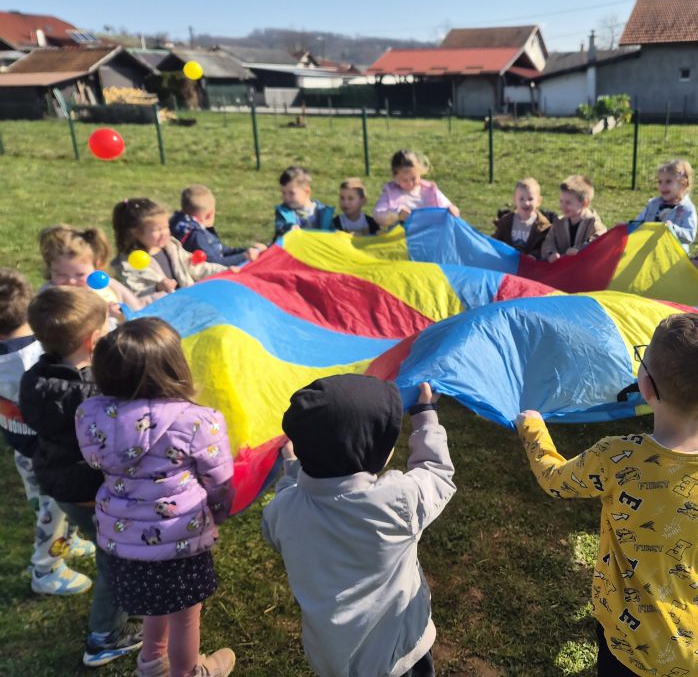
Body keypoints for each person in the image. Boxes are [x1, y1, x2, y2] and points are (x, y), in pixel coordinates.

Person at [517, 312, 698, 677]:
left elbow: (555, 479)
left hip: (633, 643)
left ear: (647, 388)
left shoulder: (618, 457)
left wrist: (532, 428)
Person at [262, 376, 455, 677]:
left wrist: (291, 468)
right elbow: (437, 473)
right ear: (369, 451)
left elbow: (281, 511)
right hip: (400, 658)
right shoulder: (397, 501)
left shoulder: (283, 511)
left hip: (333, 659)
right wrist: (425, 417)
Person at [77, 317, 236, 677]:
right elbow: (220, 480)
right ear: (175, 366)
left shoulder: (90, 414)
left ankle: (150, 663)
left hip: (121, 539)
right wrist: (220, 512)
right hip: (181, 538)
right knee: (185, 616)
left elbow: (92, 458)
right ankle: (187, 672)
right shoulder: (197, 420)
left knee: (153, 605)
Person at [19, 286, 143, 667]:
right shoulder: (95, 392)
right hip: (92, 491)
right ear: (93, 340)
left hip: (59, 484)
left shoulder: (35, 378)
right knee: (116, 562)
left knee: (100, 541)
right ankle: (104, 637)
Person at [0, 269, 92, 596]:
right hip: (46, 448)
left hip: (18, 440)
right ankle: (46, 568)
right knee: (52, 508)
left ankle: (67, 538)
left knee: (39, 498)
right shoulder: (34, 356)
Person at [111, 198, 226, 304]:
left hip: (188, 305)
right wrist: (157, 288)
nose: (164, 233)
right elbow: (132, 296)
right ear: (135, 233)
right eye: (158, 229)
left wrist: (226, 271)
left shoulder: (172, 247)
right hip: (160, 316)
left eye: (166, 227)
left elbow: (197, 268)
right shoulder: (128, 264)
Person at [38, 224, 142, 317]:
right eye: (61, 274)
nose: (71, 281)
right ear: (50, 269)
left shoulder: (108, 286)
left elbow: (137, 309)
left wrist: (122, 314)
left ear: (97, 266)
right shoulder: (49, 295)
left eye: (80, 274)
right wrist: (106, 315)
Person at [171, 184, 266, 266]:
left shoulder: (179, 223)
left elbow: (220, 250)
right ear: (209, 215)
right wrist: (245, 256)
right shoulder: (198, 236)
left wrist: (247, 250)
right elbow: (214, 263)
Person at [373, 150, 460, 230]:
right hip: (402, 241)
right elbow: (378, 215)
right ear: (395, 176)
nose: (410, 183)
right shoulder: (390, 192)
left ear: (420, 173)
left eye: (414, 178)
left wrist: (452, 210)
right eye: (404, 180)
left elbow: (448, 207)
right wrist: (396, 215)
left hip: (430, 237)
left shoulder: (430, 190)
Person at [633, 159, 698, 251]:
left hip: (673, 259)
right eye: (660, 182)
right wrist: (627, 227)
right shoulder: (653, 205)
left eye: (668, 181)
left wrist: (672, 229)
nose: (663, 186)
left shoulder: (687, 209)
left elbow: (690, 236)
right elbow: (639, 223)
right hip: (649, 253)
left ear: (682, 184)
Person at [541, 175, 607, 262]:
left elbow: (599, 241)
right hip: (562, 271)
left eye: (568, 202)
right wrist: (551, 253)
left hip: (584, 271)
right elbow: (549, 242)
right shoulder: (558, 223)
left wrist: (580, 250)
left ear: (584, 203)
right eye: (561, 201)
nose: (563, 206)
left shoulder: (593, 224)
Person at [492, 178, 551, 258]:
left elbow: (544, 247)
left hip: (531, 267)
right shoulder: (506, 222)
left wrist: (534, 255)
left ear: (538, 201)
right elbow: (495, 242)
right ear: (515, 200)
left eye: (530, 199)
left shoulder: (543, 227)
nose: (526, 203)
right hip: (509, 265)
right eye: (521, 199)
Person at [275, 166, 335, 238]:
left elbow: (332, 234)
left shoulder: (323, 212)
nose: (286, 197)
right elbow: (279, 228)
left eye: (291, 193)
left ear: (307, 192)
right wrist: (288, 228)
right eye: (283, 193)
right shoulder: (284, 212)